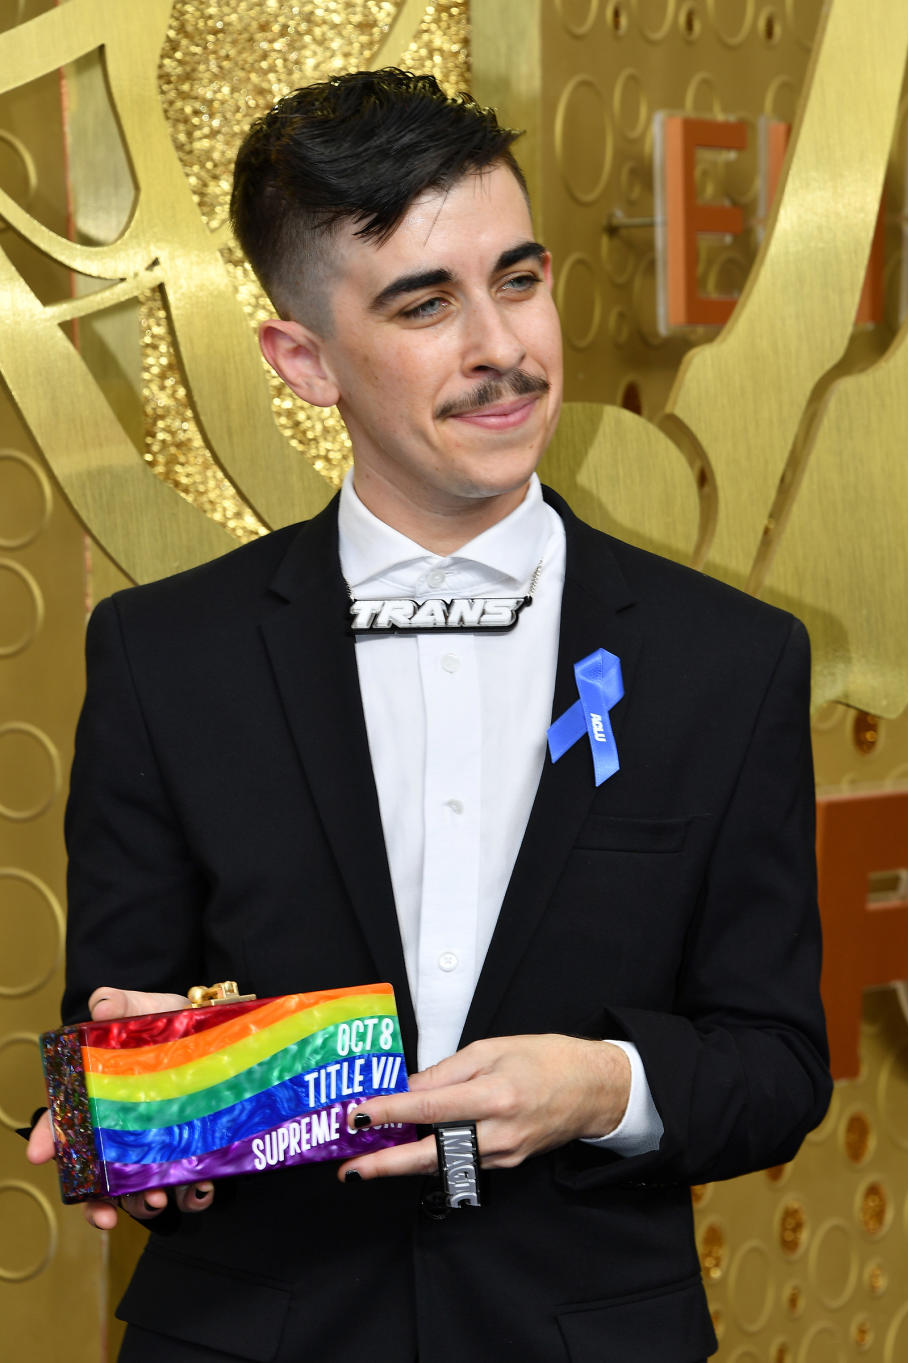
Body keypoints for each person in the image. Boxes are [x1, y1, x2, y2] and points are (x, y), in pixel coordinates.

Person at [29, 69, 831, 1362]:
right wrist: (121, 1124)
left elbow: (778, 1067)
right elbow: (114, 1028)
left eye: (519, 280)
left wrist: (601, 1089)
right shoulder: (162, 654)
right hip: (251, 1332)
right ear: (302, 358)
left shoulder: (724, 661)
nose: (504, 349)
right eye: (424, 303)